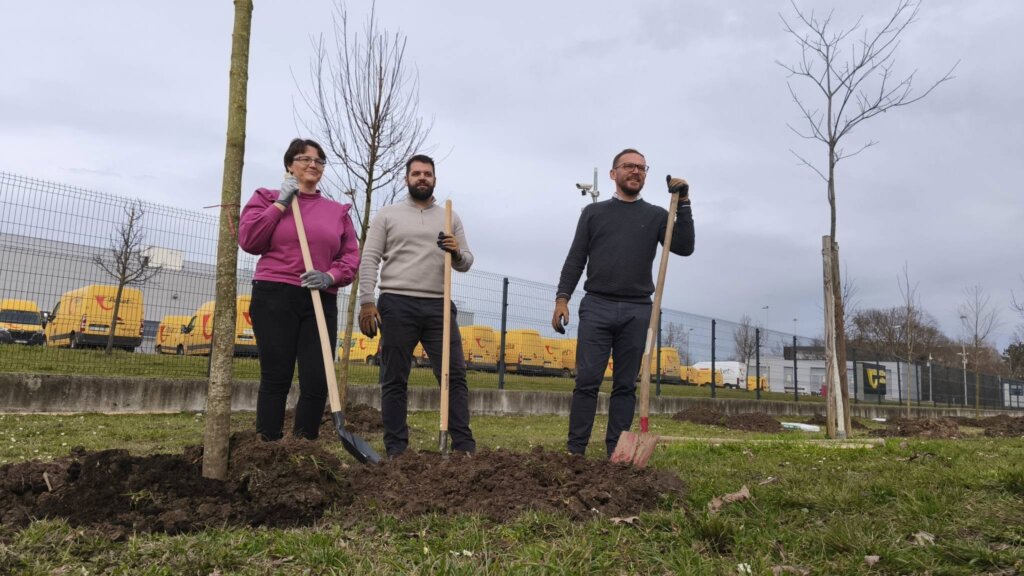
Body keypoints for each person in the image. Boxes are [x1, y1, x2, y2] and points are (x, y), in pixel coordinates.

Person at [552, 148, 695, 456]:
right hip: (597, 306)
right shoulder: (593, 213)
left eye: (642, 168)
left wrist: (683, 201)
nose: (636, 171)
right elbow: (576, 258)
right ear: (613, 173)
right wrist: (562, 298)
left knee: (625, 385)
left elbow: (684, 246)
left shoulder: (656, 216)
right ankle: (575, 452)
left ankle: (616, 453)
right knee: (587, 380)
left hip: (638, 309)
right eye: (629, 166)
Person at [238, 138, 360, 441]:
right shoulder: (266, 198)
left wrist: (330, 276)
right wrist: (281, 203)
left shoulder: (337, 211)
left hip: (320, 297)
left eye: (319, 161)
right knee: (276, 375)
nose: (312, 165)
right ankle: (268, 443)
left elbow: (350, 256)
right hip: (274, 293)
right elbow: (250, 240)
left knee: (317, 379)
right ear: (289, 165)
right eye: (305, 159)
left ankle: (304, 447)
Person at [357, 154, 476, 458]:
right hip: (397, 302)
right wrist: (367, 300)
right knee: (394, 377)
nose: (422, 178)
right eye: (416, 173)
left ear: (434, 179)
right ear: (406, 178)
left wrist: (457, 252)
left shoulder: (450, 218)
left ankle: (463, 446)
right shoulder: (387, 214)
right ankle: (397, 449)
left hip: (438, 303)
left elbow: (466, 262)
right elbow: (369, 257)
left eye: (427, 174)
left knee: (454, 375)